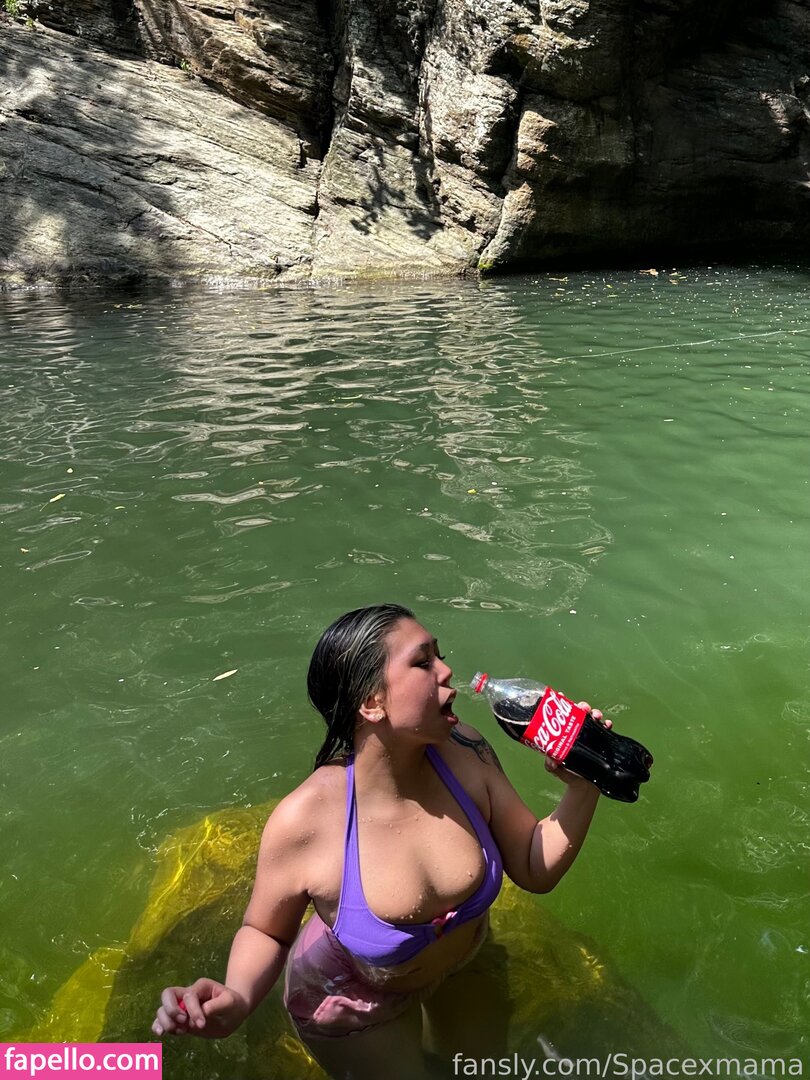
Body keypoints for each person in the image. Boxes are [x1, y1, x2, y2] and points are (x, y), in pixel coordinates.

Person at [151, 603, 611, 1079]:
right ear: (372, 703)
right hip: (354, 999)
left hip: (464, 963)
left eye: (440, 655)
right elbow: (267, 930)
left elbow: (534, 866)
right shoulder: (307, 820)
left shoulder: (466, 753)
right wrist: (238, 997)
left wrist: (584, 784)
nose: (446, 670)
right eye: (423, 661)